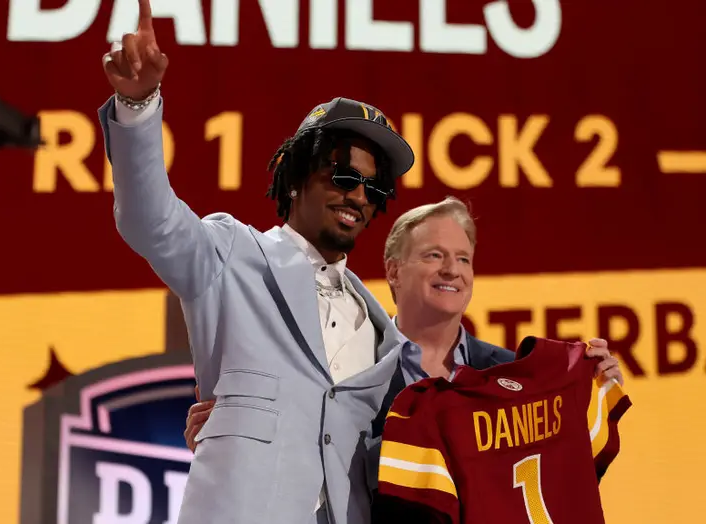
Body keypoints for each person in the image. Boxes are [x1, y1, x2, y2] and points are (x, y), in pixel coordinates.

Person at [100, 1, 418, 523]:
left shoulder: (383, 333)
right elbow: (149, 220)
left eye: (373, 186)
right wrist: (137, 105)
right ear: (295, 178)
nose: (358, 195)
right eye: (342, 176)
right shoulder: (231, 255)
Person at [185, 197, 625, 481]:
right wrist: (235, 432)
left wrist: (590, 402)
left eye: (463, 259)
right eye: (434, 256)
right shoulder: (348, 365)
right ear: (394, 271)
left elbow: (556, 477)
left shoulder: (510, 375)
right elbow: (307, 452)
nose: (452, 270)